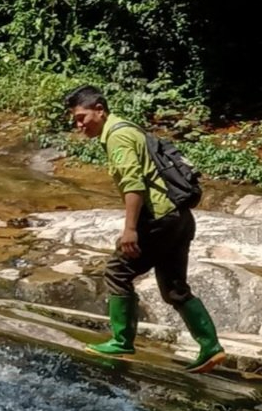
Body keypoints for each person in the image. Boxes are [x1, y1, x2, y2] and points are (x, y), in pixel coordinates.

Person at [64, 85, 226, 373]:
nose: (78, 125)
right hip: (179, 217)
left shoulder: (118, 136)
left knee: (117, 271)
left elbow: (133, 184)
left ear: (100, 110)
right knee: (174, 289)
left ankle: (121, 341)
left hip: (158, 220)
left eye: (82, 117)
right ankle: (211, 348)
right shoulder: (130, 128)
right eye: (75, 120)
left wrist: (130, 229)